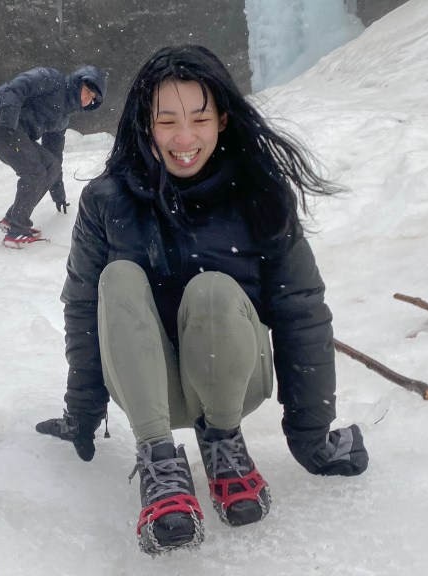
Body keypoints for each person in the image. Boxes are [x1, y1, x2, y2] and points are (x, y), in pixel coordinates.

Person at [35, 45, 369, 555]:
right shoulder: (106, 200)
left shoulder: (258, 194)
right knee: (118, 279)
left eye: (199, 119)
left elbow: (300, 310)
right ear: (145, 124)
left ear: (222, 120)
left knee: (212, 288)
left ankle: (223, 444)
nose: (184, 138)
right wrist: (82, 410)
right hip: (145, 390)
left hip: (235, 382)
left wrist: (311, 435)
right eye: (167, 121)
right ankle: (159, 462)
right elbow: (83, 306)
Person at [0, 64, 106, 248]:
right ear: (78, 82)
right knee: (34, 171)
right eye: (87, 91)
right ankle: (16, 229)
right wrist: (8, 123)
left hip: (12, 129)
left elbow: (54, 156)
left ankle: (13, 219)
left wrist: (58, 194)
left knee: (51, 166)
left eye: (92, 98)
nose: (87, 98)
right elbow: (17, 87)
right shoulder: (52, 79)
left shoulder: (62, 119)